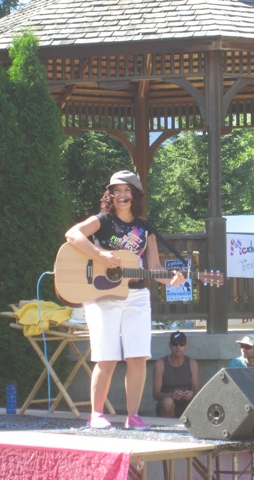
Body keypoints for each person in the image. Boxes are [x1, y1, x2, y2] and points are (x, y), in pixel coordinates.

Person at [64, 170, 185, 430]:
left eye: (127, 190)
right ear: (110, 195)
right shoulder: (102, 220)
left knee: (138, 357)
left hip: (137, 296)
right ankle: (97, 414)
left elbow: (153, 267)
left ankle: (133, 416)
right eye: (116, 190)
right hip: (103, 295)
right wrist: (100, 255)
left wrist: (171, 279)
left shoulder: (145, 228)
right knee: (106, 358)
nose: (121, 195)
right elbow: (72, 234)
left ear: (135, 195)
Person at [153, 331, 200, 418]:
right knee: (168, 402)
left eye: (181, 344)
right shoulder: (160, 364)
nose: (178, 347)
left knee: (199, 403)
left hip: (187, 403)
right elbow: (156, 394)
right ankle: (168, 425)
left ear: (186, 346)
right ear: (170, 345)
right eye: (175, 344)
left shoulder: (192, 364)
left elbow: (197, 391)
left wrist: (191, 394)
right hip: (167, 404)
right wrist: (172, 395)